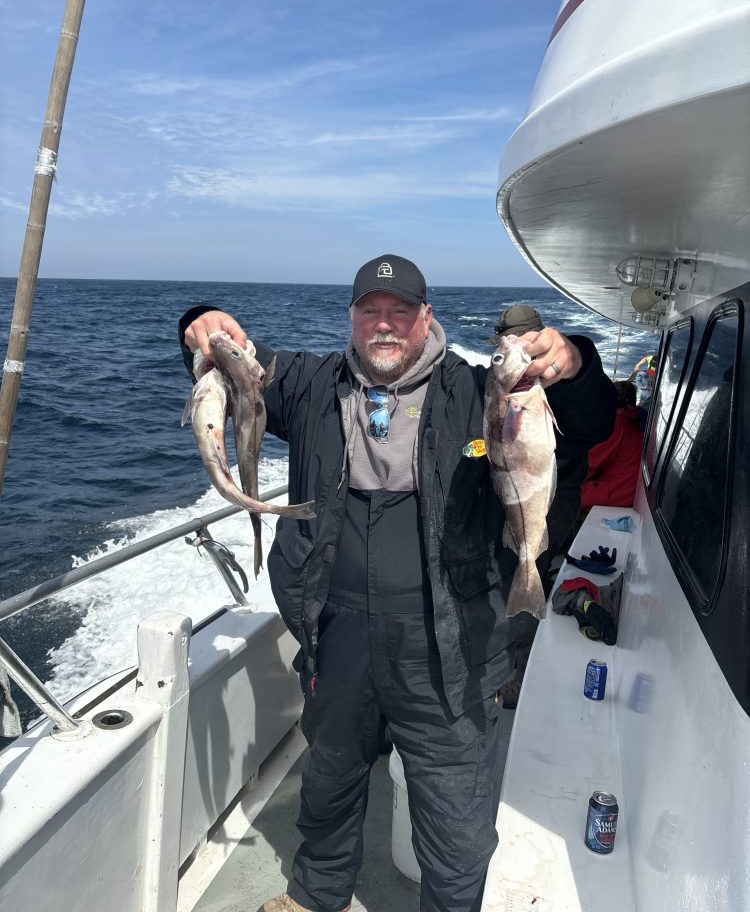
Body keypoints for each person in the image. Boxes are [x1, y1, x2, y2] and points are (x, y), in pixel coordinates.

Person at [180, 256, 616, 912]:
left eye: (401, 312)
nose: (385, 325)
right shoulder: (306, 383)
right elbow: (231, 358)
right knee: (328, 783)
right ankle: (313, 895)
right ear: (352, 319)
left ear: (426, 319)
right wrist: (197, 323)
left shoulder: (479, 392)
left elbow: (590, 424)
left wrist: (575, 362)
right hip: (338, 633)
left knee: (457, 823)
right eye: (371, 311)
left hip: (449, 642)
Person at [488, 305, 591, 709]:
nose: (515, 347)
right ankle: (503, 662)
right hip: (515, 492)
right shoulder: (498, 389)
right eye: (505, 344)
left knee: (536, 569)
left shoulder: (556, 380)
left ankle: (520, 670)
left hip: (555, 492)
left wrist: (578, 362)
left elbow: (594, 418)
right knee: (511, 570)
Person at [580, 380, 643, 513]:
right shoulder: (629, 422)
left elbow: (586, 466)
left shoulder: (615, 425)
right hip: (624, 492)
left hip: (614, 496)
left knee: (561, 495)